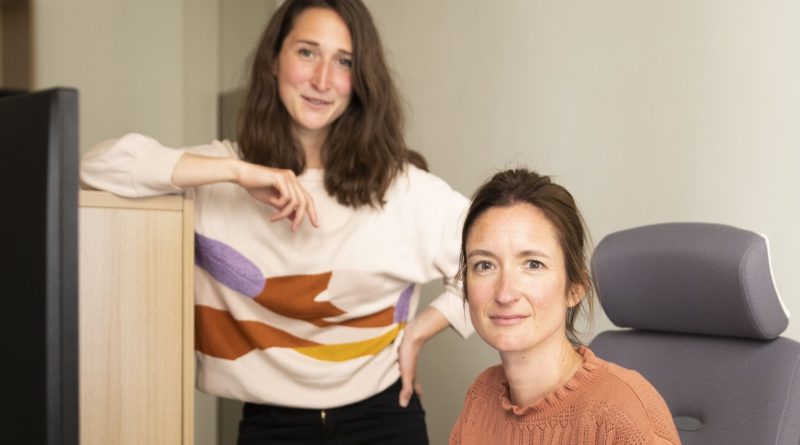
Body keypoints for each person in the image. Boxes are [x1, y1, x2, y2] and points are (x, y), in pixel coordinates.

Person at [81, 1, 471, 443]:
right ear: (273, 59)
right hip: (270, 426)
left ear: (361, 79)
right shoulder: (219, 174)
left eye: (343, 61)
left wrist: (421, 330)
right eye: (307, 52)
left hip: (383, 418)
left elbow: (497, 261)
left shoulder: (403, 189)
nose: (322, 79)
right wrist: (238, 171)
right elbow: (97, 165)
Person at [449, 169, 680, 445]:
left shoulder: (620, 414)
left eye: (533, 264)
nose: (505, 292)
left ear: (575, 288)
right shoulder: (481, 396)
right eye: (484, 265)